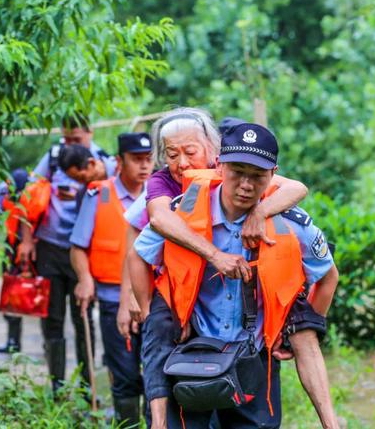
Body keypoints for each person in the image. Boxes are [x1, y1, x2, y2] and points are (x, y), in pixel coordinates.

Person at [122, 108, 322, 428]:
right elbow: (155, 224)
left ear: (213, 155)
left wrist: (260, 213)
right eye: (172, 154)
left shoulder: (242, 173)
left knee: (296, 337)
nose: (182, 162)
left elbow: (296, 187)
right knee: (159, 338)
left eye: (190, 152)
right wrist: (212, 257)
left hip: (249, 331)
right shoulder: (164, 186)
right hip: (181, 296)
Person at [17, 113, 117, 393]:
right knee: (52, 318)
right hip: (50, 247)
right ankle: (56, 385)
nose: (71, 143)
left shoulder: (105, 163)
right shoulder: (53, 157)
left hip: (84, 254)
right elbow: (29, 195)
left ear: (90, 133)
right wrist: (27, 240)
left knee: (83, 317)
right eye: (67, 138)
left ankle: (88, 388)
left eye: (77, 138)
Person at [69, 132, 153, 426]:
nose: (144, 166)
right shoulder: (98, 194)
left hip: (151, 300)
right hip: (110, 299)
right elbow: (78, 246)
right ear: (119, 161)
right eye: (136, 159)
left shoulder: (160, 196)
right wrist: (84, 278)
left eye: (148, 159)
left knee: (156, 376)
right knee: (126, 375)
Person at [0, 168, 30, 354]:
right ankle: (12, 341)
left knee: (32, 301)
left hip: (26, 259)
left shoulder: (30, 204)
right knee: (11, 301)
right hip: (11, 255)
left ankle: (14, 341)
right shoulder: (9, 202)